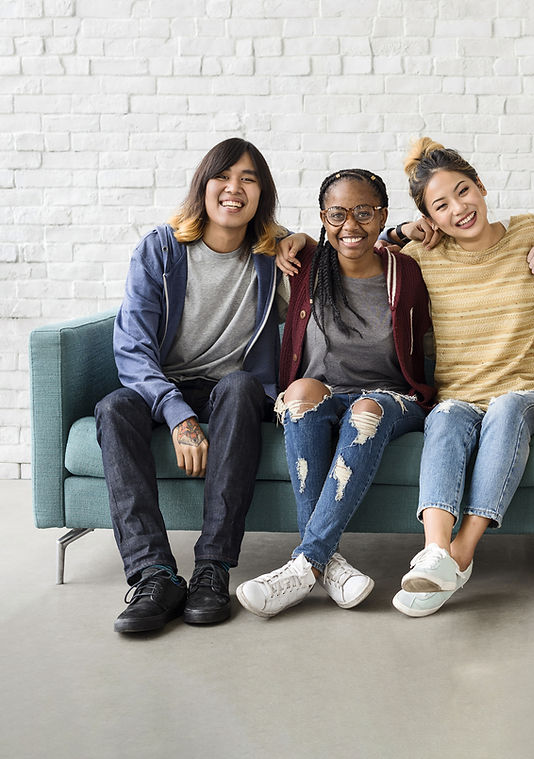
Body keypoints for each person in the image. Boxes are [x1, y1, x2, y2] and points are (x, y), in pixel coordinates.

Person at [95, 138, 286, 634]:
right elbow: (132, 345)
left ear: (261, 194)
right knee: (113, 408)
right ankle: (153, 573)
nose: (234, 189)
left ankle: (211, 569)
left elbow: (353, 241)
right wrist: (177, 413)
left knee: (244, 386)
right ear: (204, 186)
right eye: (224, 177)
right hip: (165, 387)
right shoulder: (161, 249)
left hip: (232, 391)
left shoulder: (272, 256)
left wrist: (407, 229)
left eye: (248, 179)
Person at [386, 137, 534, 617]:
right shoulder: (423, 254)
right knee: (446, 414)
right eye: (441, 205)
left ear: (482, 187)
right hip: (463, 396)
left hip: (533, 393)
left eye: (464, 191)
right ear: (430, 218)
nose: (459, 208)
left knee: (509, 405)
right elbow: (355, 244)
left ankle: (462, 553)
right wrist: (400, 230)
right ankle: (434, 551)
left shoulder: (529, 230)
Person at [235, 169, 435, 618]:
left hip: (391, 399)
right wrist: (297, 238)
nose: (350, 226)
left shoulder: (405, 270)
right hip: (324, 393)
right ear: (323, 218)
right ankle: (327, 565)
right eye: (337, 214)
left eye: (364, 213)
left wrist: (401, 232)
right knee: (299, 391)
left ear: (382, 215)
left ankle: (303, 562)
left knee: (366, 409)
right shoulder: (305, 266)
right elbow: (247, 221)